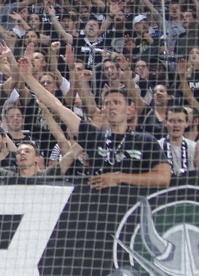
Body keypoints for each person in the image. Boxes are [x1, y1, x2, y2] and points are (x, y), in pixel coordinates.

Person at [18, 56, 172, 189]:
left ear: (129, 109)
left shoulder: (145, 140)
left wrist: (118, 178)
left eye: (117, 102)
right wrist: (28, 78)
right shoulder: (94, 137)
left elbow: (164, 178)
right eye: (107, 103)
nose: (111, 106)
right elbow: (57, 106)